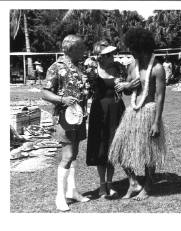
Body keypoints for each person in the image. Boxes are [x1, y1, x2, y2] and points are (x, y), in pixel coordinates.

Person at [108, 28, 167, 201]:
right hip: (132, 112)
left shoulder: (157, 68)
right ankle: (133, 182)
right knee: (119, 151)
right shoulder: (132, 65)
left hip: (149, 111)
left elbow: (160, 96)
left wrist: (156, 122)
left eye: (133, 49)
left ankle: (147, 186)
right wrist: (127, 87)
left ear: (142, 48)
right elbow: (127, 91)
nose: (131, 52)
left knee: (149, 152)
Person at [42, 35, 90, 211]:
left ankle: (72, 191)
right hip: (64, 118)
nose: (84, 51)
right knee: (67, 156)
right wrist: (62, 99)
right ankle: (60, 196)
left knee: (74, 155)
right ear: (72, 49)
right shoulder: (56, 67)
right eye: (81, 48)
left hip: (79, 117)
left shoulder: (78, 67)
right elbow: (45, 93)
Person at [85, 40, 127, 198]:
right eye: (108, 54)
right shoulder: (92, 70)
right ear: (101, 56)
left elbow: (127, 92)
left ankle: (110, 184)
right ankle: (102, 185)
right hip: (99, 111)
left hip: (116, 109)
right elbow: (87, 92)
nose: (112, 56)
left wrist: (125, 85)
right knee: (101, 148)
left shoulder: (119, 68)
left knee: (112, 146)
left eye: (112, 53)